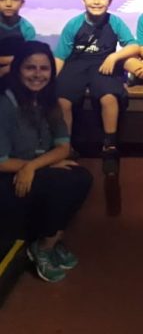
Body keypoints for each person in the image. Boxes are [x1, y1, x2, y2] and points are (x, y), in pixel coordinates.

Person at [0, 41, 92, 283]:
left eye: (44, 68)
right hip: (7, 178)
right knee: (61, 184)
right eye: (30, 68)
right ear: (18, 69)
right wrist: (35, 166)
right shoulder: (5, 103)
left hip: (30, 170)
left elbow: (63, 147)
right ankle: (43, 247)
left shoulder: (49, 101)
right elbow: (1, 162)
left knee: (80, 176)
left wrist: (34, 166)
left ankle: (48, 242)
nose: (37, 74)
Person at [54, 0, 138, 176]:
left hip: (103, 63)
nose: (96, 1)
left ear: (110, 0)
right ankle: (64, 147)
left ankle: (110, 147)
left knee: (109, 98)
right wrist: (49, 83)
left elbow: (134, 46)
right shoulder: (74, 24)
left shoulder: (115, 22)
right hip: (76, 64)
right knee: (63, 100)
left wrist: (114, 56)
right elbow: (60, 56)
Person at [0, 0, 36, 80]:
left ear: (22, 3)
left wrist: (6, 69)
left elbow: (29, 57)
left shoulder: (27, 28)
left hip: (18, 73)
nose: (8, 4)